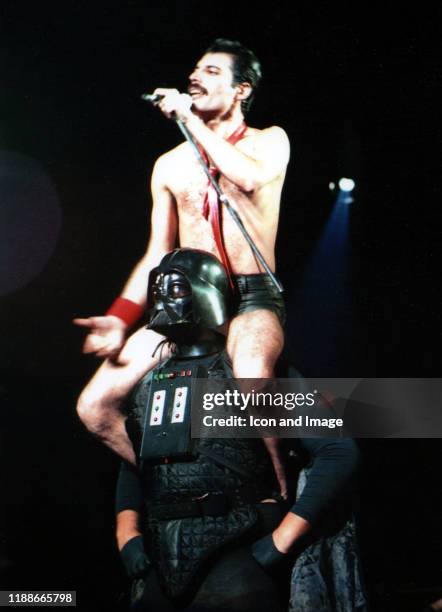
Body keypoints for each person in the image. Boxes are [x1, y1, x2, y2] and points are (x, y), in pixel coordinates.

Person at [74, 39, 290, 475]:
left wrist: (189, 119)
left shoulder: (269, 142)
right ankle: (169, 481)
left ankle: (281, 487)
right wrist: (120, 316)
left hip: (249, 297)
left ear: (241, 90)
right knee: (94, 407)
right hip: (185, 303)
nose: (195, 77)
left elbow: (247, 179)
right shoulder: (169, 165)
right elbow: (157, 252)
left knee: (251, 380)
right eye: (194, 70)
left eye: (211, 71)